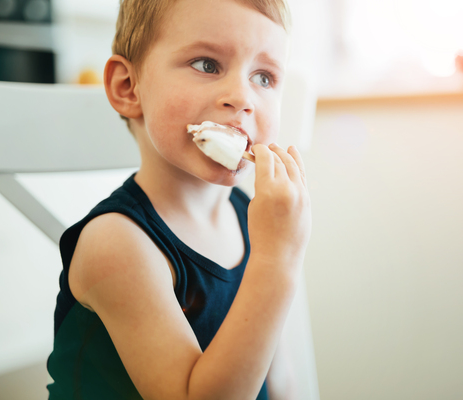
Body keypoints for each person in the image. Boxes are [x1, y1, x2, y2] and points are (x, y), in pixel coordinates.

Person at [46, 0, 311, 398]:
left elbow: (278, 382)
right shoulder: (117, 245)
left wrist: (276, 252)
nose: (243, 98)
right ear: (128, 88)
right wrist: (278, 261)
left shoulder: (253, 219)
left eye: (264, 77)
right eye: (207, 64)